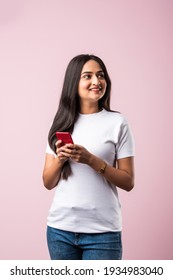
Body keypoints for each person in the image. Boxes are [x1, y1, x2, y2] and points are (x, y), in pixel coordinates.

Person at [42, 54, 135, 260]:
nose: (96, 81)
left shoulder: (118, 122)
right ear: (74, 82)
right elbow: (48, 182)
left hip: (103, 234)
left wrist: (91, 160)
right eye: (88, 76)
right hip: (60, 231)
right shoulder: (59, 123)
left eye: (100, 75)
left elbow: (128, 182)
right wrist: (61, 158)